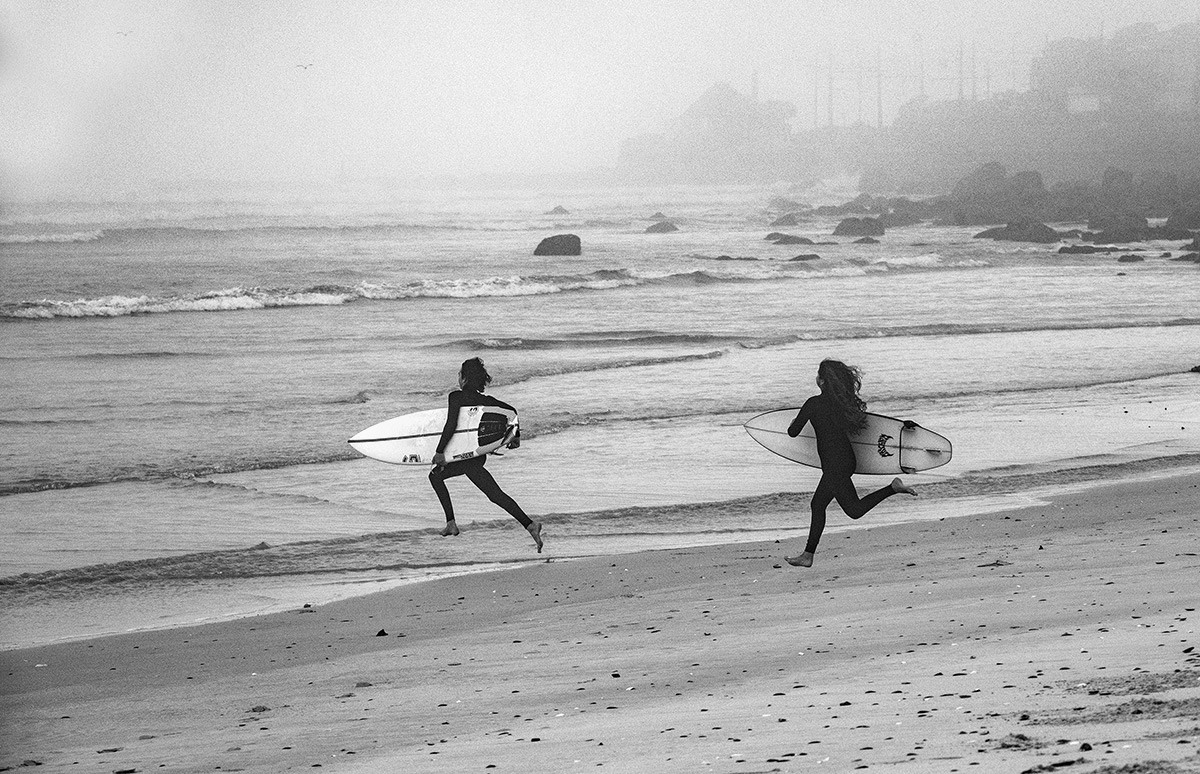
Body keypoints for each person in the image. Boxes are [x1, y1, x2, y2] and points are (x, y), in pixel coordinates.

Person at [784, 359, 916, 568]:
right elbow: (871, 427)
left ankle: (893, 488)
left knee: (853, 510)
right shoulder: (842, 405)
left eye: (818, 374)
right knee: (818, 505)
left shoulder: (813, 404)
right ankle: (808, 555)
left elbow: (793, 432)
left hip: (834, 464)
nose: (816, 377)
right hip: (845, 460)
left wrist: (794, 422)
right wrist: (901, 427)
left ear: (822, 381)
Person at [430, 357, 542, 553]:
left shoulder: (455, 397)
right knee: (494, 495)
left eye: (460, 374)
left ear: (464, 378)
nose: (458, 378)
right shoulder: (486, 401)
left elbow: (451, 425)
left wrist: (440, 451)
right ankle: (530, 525)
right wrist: (515, 436)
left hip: (466, 457)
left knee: (435, 476)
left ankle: (451, 523)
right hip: (476, 455)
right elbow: (512, 411)